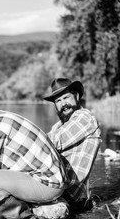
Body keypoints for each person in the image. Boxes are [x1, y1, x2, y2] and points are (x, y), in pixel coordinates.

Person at [43, 78, 101, 210]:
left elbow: (51, 142)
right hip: (55, 186)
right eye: (58, 101)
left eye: (66, 98)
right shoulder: (58, 126)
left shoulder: (84, 117)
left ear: (76, 96)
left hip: (68, 193)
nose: (63, 104)